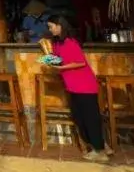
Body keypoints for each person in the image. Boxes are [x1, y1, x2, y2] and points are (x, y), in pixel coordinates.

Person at [46, 15, 110, 163]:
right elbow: (58, 58)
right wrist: (47, 58)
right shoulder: (57, 43)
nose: (50, 30)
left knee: (90, 118)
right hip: (72, 86)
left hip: (84, 84)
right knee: (80, 117)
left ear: (59, 26)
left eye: (51, 26)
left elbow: (80, 62)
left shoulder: (70, 42)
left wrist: (61, 67)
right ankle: (101, 145)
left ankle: (99, 151)